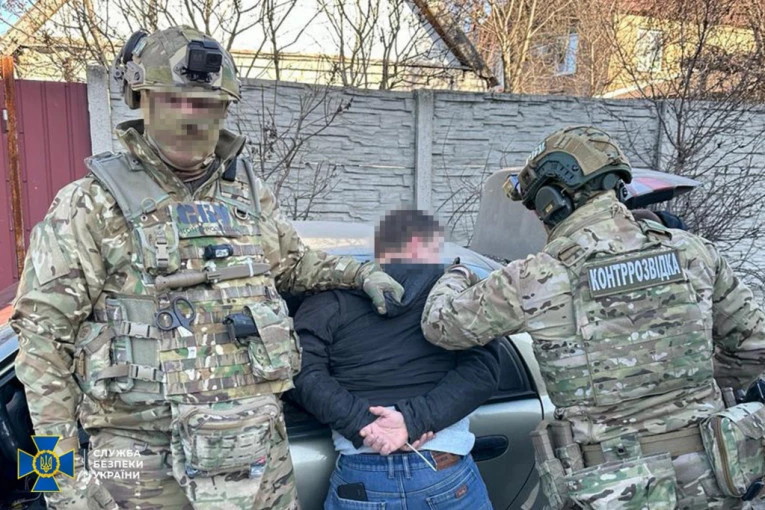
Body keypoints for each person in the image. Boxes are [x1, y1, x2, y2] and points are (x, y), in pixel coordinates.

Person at [9, 26, 403, 510]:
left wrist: (360, 273)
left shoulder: (248, 194)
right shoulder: (89, 204)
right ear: (142, 101)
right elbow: (41, 342)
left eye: (206, 105)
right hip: (140, 463)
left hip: (257, 453)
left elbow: (293, 265)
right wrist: (58, 482)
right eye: (174, 102)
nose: (190, 118)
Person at [415, 126, 765, 508]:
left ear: (552, 200)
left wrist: (457, 273)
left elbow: (441, 326)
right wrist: (689, 379)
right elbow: (755, 347)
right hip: (713, 477)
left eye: (535, 206)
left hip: (616, 489)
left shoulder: (538, 275)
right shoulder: (694, 251)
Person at [288, 208, 499, 509]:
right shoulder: (454, 296)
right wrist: (413, 421)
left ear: (380, 247)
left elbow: (298, 370)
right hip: (444, 471)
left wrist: (363, 424)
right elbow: (482, 372)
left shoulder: (328, 298)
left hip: (362, 477)